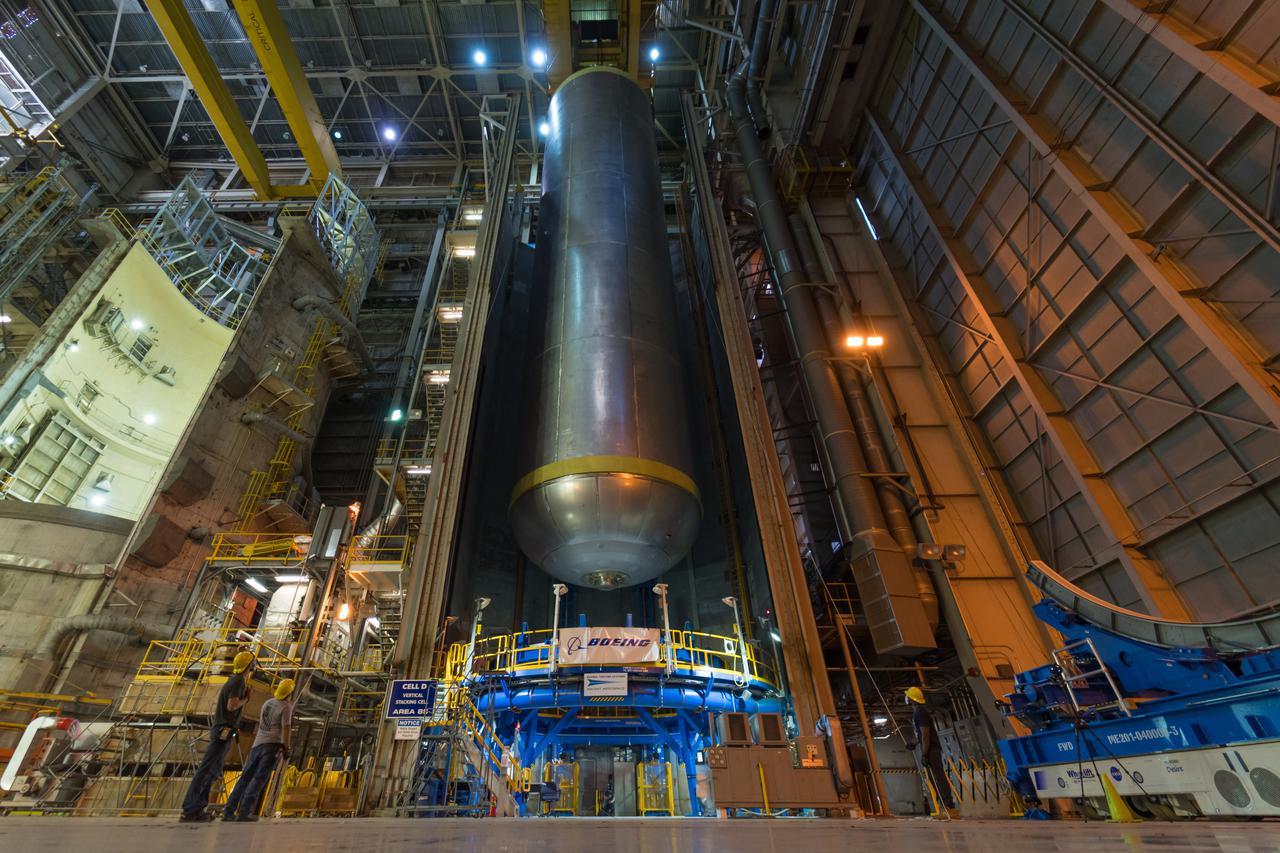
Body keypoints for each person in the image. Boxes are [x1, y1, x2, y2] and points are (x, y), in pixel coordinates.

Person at [180, 651, 255, 822]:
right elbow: (232, 705)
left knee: (212, 771)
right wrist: (246, 700)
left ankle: (198, 808)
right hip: (223, 731)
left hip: (224, 731)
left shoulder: (234, 680)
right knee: (206, 770)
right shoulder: (238, 681)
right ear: (249, 665)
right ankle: (190, 809)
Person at [222, 677, 295, 822]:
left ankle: (228, 811)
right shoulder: (286, 707)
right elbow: (286, 729)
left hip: (257, 744)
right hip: (272, 746)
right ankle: (244, 812)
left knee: (245, 778)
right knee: (258, 779)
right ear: (289, 693)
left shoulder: (267, 703)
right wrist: (286, 747)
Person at [906, 686, 956, 813]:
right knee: (934, 779)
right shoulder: (918, 712)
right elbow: (921, 735)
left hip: (931, 750)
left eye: (907, 696)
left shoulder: (920, 713)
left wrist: (924, 753)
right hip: (928, 748)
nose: (905, 698)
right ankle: (944, 805)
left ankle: (948, 805)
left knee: (938, 777)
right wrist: (915, 743)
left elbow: (926, 734)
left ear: (911, 699)